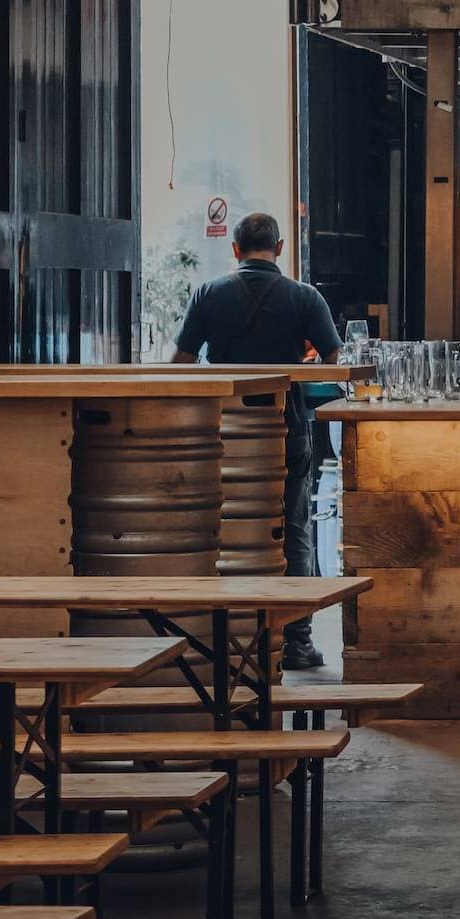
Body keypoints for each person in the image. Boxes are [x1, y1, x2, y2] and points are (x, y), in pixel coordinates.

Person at [172, 212, 343, 672]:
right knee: (294, 528)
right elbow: (335, 361)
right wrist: (298, 369)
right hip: (284, 426)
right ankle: (297, 639)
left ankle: (231, 635)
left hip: (223, 430)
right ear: (281, 248)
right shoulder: (305, 297)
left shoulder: (207, 295)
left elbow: (180, 365)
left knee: (224, 527)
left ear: (235, 248)